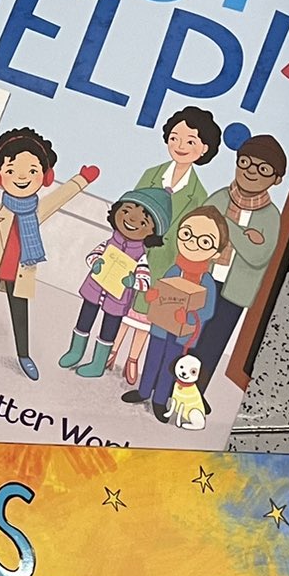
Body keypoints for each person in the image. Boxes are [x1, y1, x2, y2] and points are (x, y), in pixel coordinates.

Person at [0, 129, 99, 379]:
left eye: (32, 171)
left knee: (20, 315)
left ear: (45, 177)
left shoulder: (36, 211)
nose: (22, 177)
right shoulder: (0, 212)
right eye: (11, 170)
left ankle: (24, 356)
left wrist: (82, 180)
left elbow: (60, 197)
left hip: (20, 271)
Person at [111, 106, 222, 386]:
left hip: (166, 263)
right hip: (134, 250)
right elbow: (129, 207)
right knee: (121, 302)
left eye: (190, 141)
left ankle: (133, 358)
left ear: (204, 149)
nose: (180, 146)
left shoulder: (199, 194)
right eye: (175, 138)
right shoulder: (152, 174)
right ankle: (110, 349)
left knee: (147, 313)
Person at [187, 135, 288, 407]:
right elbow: (197, 228)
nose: (251, 172)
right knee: (188, 334)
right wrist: (245, 236)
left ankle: (196, 394)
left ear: (277, 179)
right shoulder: (220, 197)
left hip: (236, 291)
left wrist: (228, 227)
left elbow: (258, 255)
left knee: (213, 343)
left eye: (263, 168)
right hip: (203, 278)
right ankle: (170, 386)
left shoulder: (270, 216)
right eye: (245, 163)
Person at [124, 206, 229, 421]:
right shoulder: (174, 270)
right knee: (153, 358)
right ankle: (143, 391)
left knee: (170, 366)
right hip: (161, 327)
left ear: (216, 253)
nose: (192, 243)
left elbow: (207, 310)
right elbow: (161, 289)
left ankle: (160, 400)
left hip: (183, 334)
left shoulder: (207, 281)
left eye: (204, 241)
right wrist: (152, 296)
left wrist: (188, 318)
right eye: (187, 234)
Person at [59, 187, 168, 376]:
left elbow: (145, 281)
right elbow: (93, 255)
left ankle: (98, 364)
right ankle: (75, 351)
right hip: (94, 289)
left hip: (118, 299)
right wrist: (96, 263)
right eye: (126, 211)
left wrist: (132, 281)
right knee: (84, 320)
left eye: (143, 222)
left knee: (108, 330)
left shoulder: (140, 255)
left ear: (152, 232)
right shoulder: (110, 242)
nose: (132, 221)